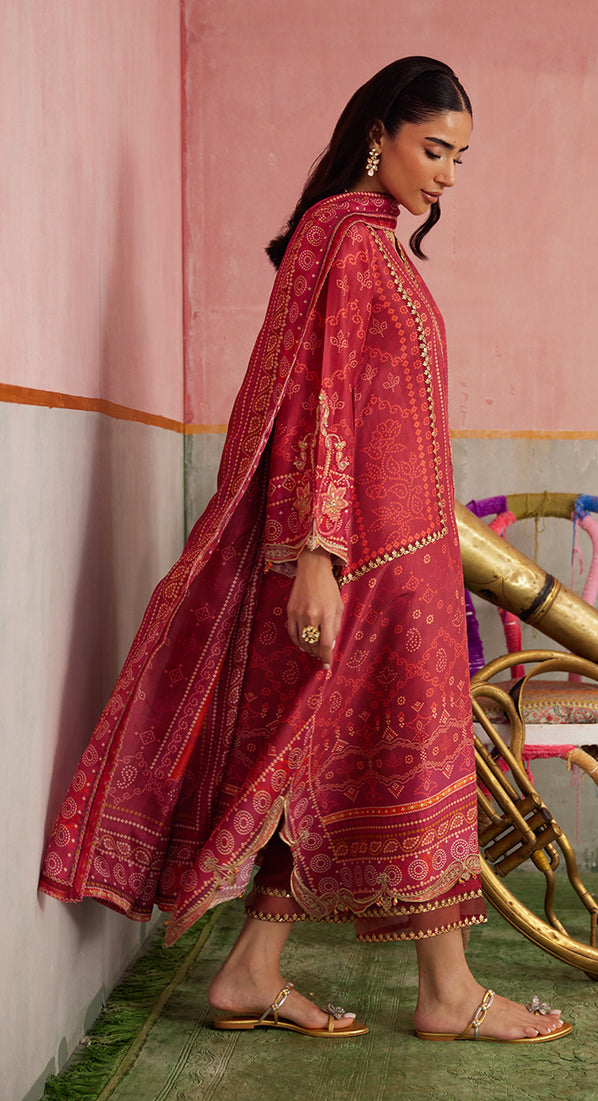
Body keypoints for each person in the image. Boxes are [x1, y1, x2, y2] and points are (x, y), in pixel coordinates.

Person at [40, 57, 571, 1044]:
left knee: (328, 763)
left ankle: (253, 969)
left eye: (460, 156)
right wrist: (320, 552)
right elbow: (321, 399)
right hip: (363, 560)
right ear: (379, 133)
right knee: (375, 757)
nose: (448, 174)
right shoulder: (342, 241)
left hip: (402, 557)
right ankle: (446, 994)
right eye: (433, 148)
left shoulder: (373, 244)